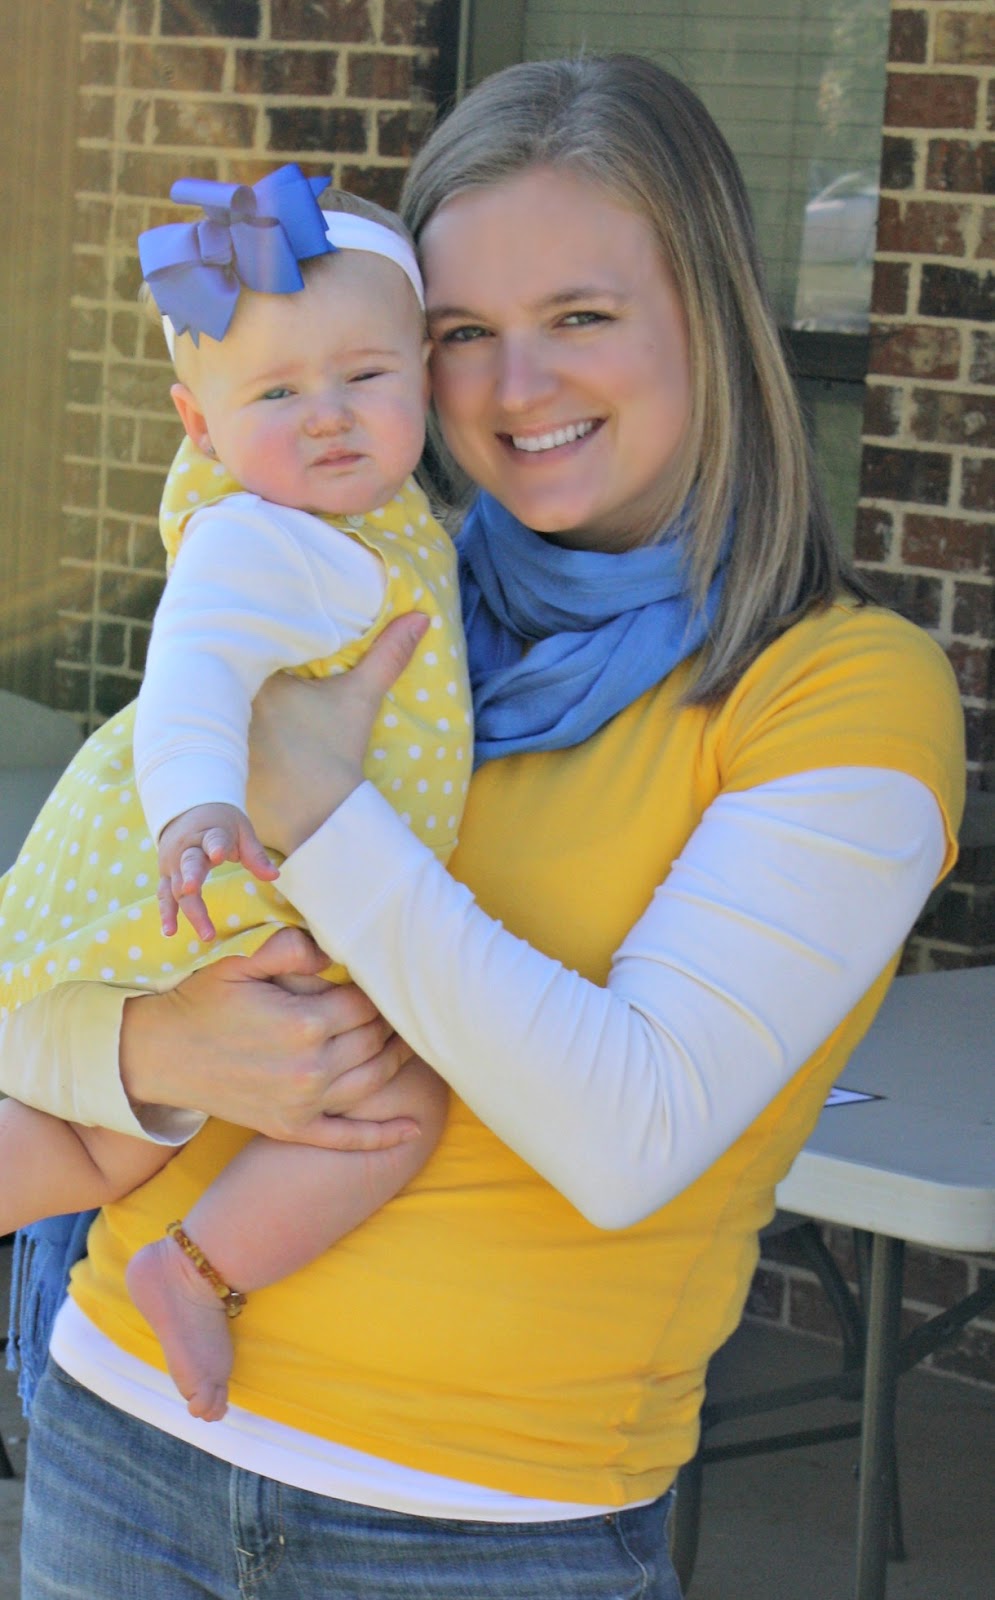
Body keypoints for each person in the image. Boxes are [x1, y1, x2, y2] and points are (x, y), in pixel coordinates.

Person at [6, 55, 964, 1600]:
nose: (515, 391)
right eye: (461, 335)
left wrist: (320, 812)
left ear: (709, 317)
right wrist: (159, 1052)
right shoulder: (360, 587)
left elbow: (623, 1135)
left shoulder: (836, 689)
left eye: (578, 316)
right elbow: (78, 940)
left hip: (479, 1530)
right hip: (119, 1450)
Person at [0, 165, 466, 1421]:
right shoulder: (278, 540)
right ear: (197, 423)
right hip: (216, 878)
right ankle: (198, 1267)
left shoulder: (355, 525)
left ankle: (186, 1264)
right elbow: (193, 667)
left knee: (99, 1139)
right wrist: (199, 804)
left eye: (363, 376)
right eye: (275, 393)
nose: (326, 418)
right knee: (395, 1102)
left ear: (424, 374)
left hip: (220, 888)